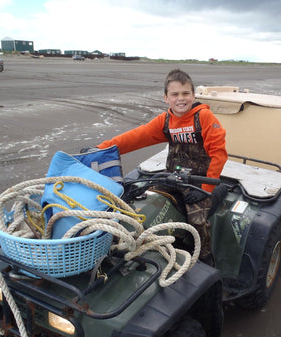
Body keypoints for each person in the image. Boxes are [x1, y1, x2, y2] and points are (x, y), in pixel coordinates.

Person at [95, 69, 228, 265]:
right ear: (166, 98)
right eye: (175, 94)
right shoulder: (165, 121)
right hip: (173, 176)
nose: (180, 99)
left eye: (185, 93)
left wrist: (206, 189)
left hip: (199, 181)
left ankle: (206, 258)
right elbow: (133, 138)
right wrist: (99, 150)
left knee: (198, 222)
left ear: (193, 95)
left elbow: (219, 152)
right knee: (142, 202)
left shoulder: (205, 117)